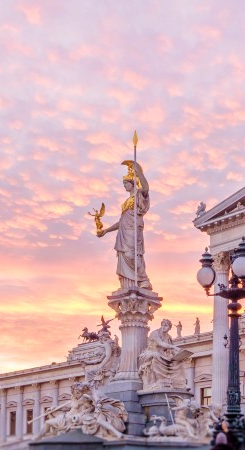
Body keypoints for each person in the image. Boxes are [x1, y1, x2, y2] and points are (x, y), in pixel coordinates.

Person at [98, 161, 152, 290]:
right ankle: (128, 285)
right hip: (124, 231)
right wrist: (106, 231)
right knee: (123, 256)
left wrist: (139, 172)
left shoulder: (139, 195)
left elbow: (146, 188)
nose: (124, 186)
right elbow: (121, 221)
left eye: (126, 183)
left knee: (131, 255)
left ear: (133, 183)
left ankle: (144, 280)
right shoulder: (126, 203)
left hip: (133, 230)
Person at [138, 319, 184, 389]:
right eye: (162, 325)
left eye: (165, 326)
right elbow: (161, 343)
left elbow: (172, 352)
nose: (163, 327)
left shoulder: (169, 337)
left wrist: (181, 356)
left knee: (178, 362)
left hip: (162, 355)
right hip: (149, 353)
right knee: (156, 355)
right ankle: (159, 381)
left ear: (169, 328)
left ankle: (179, 383)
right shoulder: (155, 333)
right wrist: (174, 347)